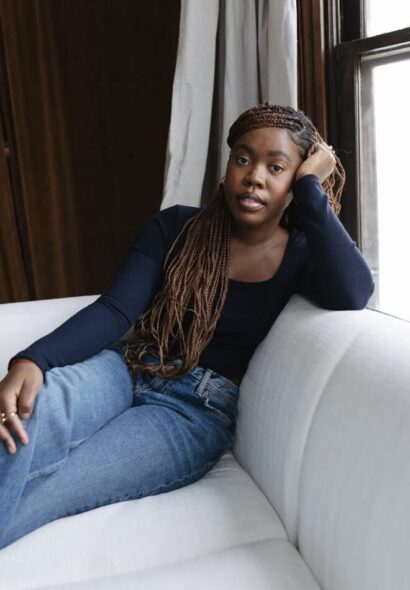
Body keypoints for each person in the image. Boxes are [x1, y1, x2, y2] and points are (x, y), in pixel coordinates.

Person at [0, 103, 374, 549]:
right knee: (32, 407)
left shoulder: (301, 254)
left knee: (57, 488)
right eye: (243, 158)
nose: (255, 176)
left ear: (295, 179)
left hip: (192, 412)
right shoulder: (176, 226)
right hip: (129, 366)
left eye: (277, 167)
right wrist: (33, 360)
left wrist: (312, 188)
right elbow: (116, 311)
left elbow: (353, 293)